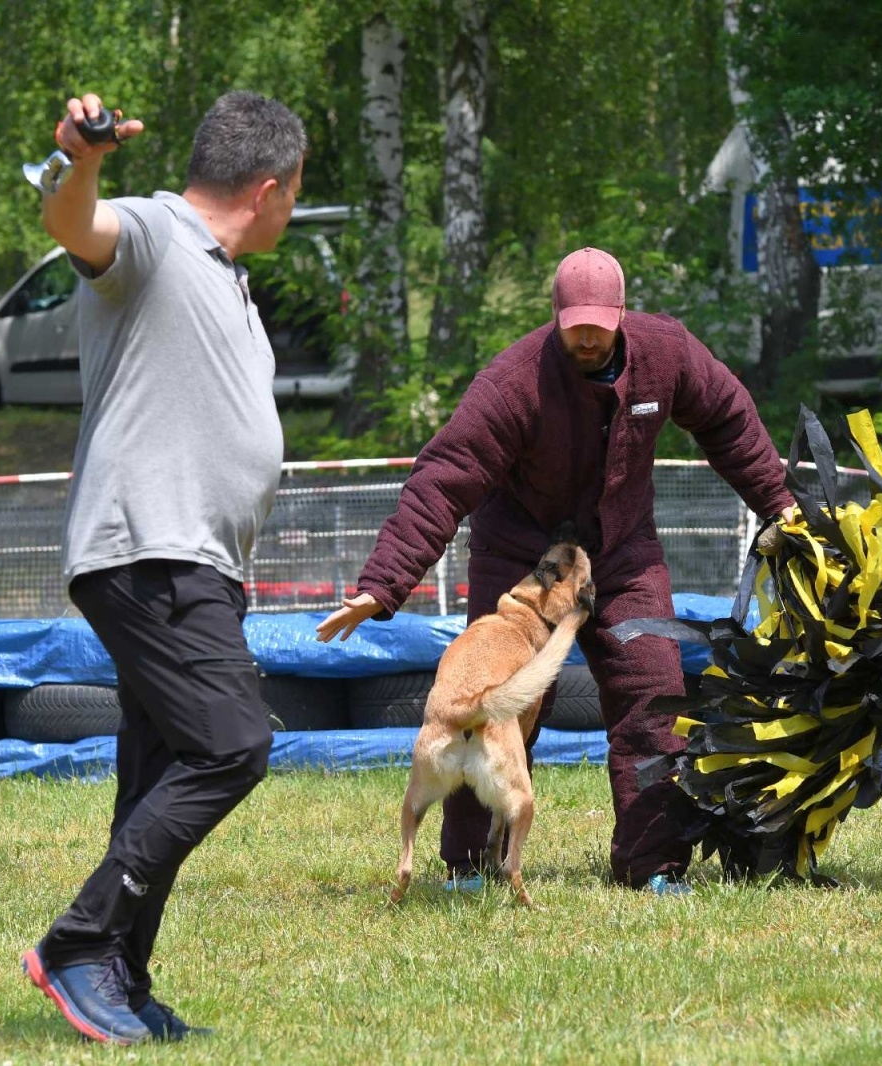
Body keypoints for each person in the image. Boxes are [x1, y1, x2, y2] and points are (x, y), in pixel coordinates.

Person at [317, 247, 795, 895]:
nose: (588, 339)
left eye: (600, 326)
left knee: (654, 692)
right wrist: (384, 582)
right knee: (490, 702)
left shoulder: (667, 353)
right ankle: (470, 866)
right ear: (556, 316)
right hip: (522, 561)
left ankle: (653, 864)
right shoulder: (512, 382)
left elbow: (729, 420)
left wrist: (779, 503)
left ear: (622, 314)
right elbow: (443, 479)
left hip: (622, 555)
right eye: (575, 328)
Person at [18, 89, 305, 1045]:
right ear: (268, 189)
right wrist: (79, 159)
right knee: (231, 746)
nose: (292, 208)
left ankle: (122, 978)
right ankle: (77, 943)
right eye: (295, 192)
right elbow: (76, 224)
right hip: (150, 550)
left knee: (156, 776)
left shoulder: (226, 276)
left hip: (197, 563)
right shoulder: (156, 233)